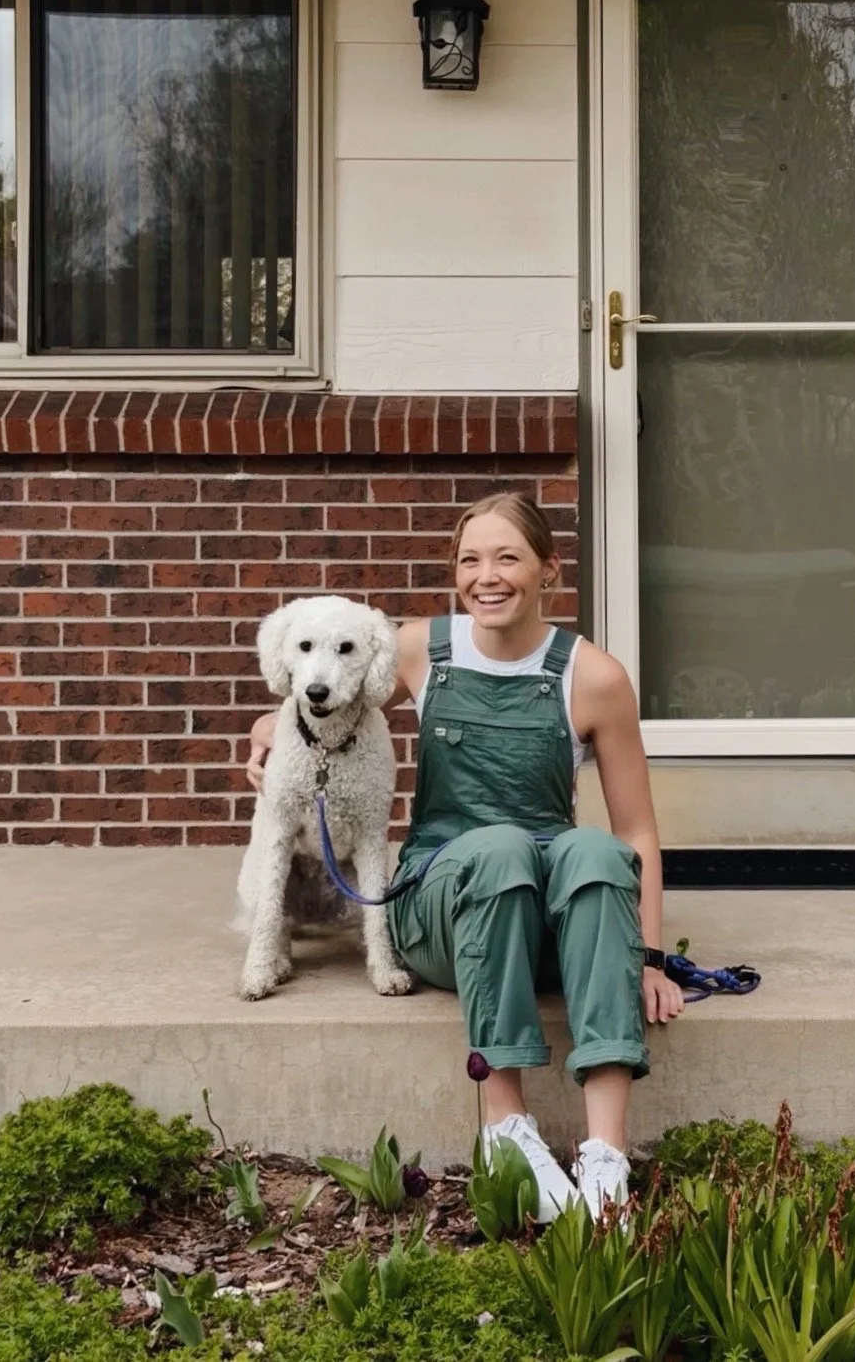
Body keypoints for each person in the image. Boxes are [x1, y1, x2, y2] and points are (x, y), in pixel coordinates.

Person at [245, 491, 682, 1220]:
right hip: (440, 909)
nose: (487, 576)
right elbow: (316, 688)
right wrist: (266, 731)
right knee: (500, 848)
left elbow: (637, 831)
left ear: (548, 568)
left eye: (508, 557)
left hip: (541, 916)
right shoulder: (420, 647)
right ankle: (505, 1127)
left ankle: (606, 1157)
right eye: (469, 559)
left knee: (595, 850)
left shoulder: (594, 676)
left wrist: (649, 956)